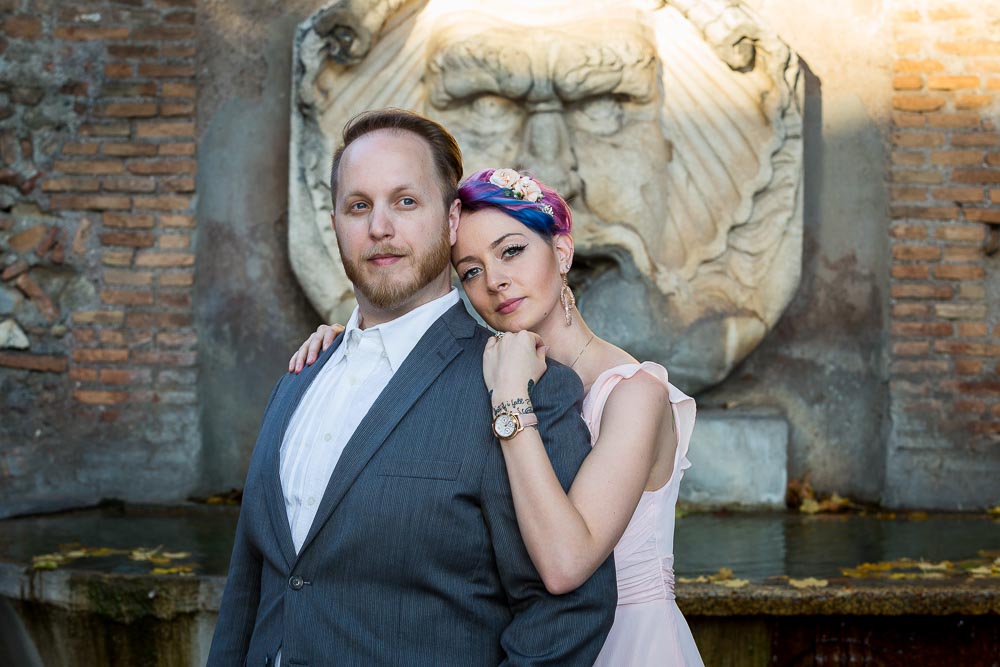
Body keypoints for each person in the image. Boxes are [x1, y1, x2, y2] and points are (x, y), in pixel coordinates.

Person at [208, 110, 617, 666]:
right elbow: (250, 588)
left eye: (405, 201)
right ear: (334, 222)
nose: (380, 227)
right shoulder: (300, 378)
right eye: (359, 205)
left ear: (451, 222)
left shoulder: (526, 387)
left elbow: (567, 613)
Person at [291, 168, 705, 665]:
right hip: (526, 645)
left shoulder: (635, 393)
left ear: (562, 252)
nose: (495, 281)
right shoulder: (487, 368)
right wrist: (350, 351)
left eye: (511, 251)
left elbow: (565, 565)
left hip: (627, 645)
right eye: (470, 270)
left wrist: (511, 400)